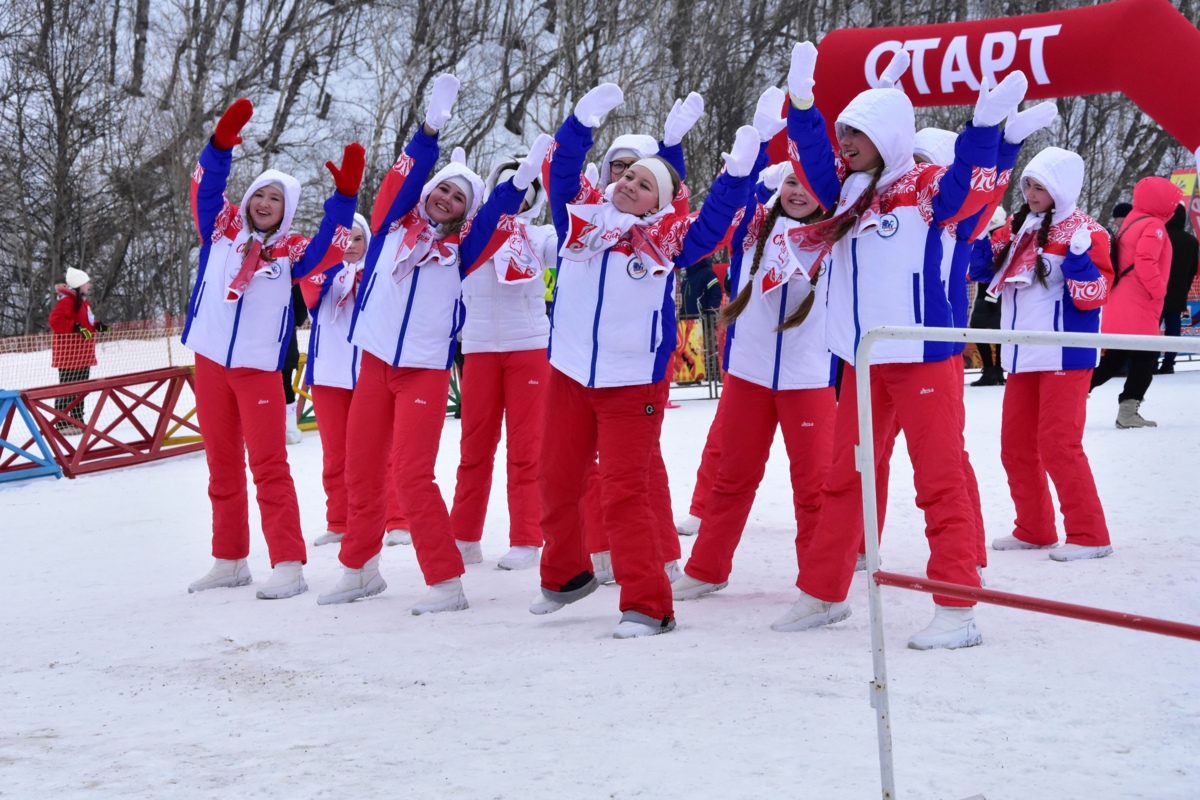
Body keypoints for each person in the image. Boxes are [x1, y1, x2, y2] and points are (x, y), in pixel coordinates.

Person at [774, 41, 1045, 650]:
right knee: (847, 478)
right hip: (866, 357)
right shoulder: (844, 189)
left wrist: (984, 129)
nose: (844, 142)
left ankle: (956, 605)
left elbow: (969, 194)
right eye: (842, 131)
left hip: (922, 354)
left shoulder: (924, 186)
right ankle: (822, 591)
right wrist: (802, 104)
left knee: (939, 478)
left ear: (889, 137)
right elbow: (811, 153)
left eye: (858, 133)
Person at [317, 74, 552, 615]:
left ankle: (445, 581)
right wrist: (429, 130)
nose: (446, 198)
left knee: (411, 473)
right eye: (442, 188)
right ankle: (359, 571)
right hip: (373, 362)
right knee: (361, 468)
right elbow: (397, 184)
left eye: (458, 196)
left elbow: (496, 215)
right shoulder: (391, 227)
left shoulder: (464, 250)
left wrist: (521, 180)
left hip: (422, 371)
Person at [532, 82, 758, 638]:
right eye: (625, 176)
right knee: (557, 481)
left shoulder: (671, 241)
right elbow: (561, 174)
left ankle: (647, 605)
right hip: (569, 372)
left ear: (660, 200)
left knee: (625, 490)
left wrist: (735, 177)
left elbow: (712, 224)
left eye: (643, 182)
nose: (628, 184)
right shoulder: (578, 225)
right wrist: (578, 126)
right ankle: (564, 577)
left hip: (630, 382)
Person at [184, 98, 362, 599]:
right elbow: (205, 187)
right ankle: (230, 559)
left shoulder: (293, 250)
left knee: (268, 466)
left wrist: (344, 195)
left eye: (275, 199)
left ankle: (288, 563)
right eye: (259, 195)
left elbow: (333, 244)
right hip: (211, 360)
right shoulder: (220, 229)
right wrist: (220, 144)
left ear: (286, 210)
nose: (264, 204)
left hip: (258, 370)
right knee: (221, 464)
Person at [671, 93, 838, 603]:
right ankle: (706, 568)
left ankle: (819, 583)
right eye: (791, 180)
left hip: (808, 378)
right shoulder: (752, 223)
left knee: (814, 491)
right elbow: (726, 203)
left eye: (808, 184)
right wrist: (759, 146)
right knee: (731, 479)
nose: (797, 192)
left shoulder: (841, 232)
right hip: (749, 373)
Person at [970, 146, 1116, 562]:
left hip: (1065, 355)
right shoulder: (1021, 227)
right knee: (1014, 446)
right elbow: (981, 274)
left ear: (1062, 187)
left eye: (1040, 186)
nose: (1031, 193)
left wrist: (1080, 264)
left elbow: (1096, 297)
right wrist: (981, 238)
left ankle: (1090, 534)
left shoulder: (1090, 231)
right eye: (1028, 185)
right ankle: (1034, 527)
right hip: (1021, 356)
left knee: (1058, 444)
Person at [448, 154, 558, 571]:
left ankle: (528, 536)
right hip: (477, 349)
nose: (516, 197)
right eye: (507, 188)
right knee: (473, 448)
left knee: (527, 449)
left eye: (526, 190)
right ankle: (464, 536)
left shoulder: (538, 234)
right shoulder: (470, 235)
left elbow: (562, 247)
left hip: (528, 349)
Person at [299, 214, 407, 549]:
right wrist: (330, 260)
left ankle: (397, 520)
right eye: (342, 239)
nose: (349, 245)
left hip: (370, 374)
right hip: (329, 374)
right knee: (335, 454)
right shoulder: (322, 273)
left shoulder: (378, 274)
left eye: (357, 239)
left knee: (381, 451)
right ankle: (340, 521)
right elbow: (310, 296)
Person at [1089, 175, 1182, 427]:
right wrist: (1158, 290)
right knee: (1144, 359)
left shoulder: (1131, 221)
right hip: (1140, 304)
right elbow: (1145, 259)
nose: (1174, 206)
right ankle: (1128, 412)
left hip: (1121, 301)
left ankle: (1073, 393)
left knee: (1115, 359)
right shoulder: (1155, 226)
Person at [48, 269, 108, 433]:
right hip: (69, 356)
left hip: (82, 355)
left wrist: (96, 326)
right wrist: (74, 327)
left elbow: (84, 325)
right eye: (86, 282)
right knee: (68, 389)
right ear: (78, 285)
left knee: (81, 390)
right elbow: (55, 321)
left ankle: (77, 421)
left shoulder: (83, 303)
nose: (89, 285)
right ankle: (63, 423)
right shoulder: (66, 302)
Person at [969, 207, 1011, 386]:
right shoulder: (1002, 235)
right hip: (996, 290)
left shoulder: (995, 236)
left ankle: (991, 371)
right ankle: (997, 370)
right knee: (998, 330)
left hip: (990, 289)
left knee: (981, 328)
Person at [1159, 203, 1198, 373]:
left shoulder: (1161, 237)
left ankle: (1150, 362)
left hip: (1158, 290)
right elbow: (1192, 269)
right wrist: (1185, 286)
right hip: (1179, 290)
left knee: (1152, 329)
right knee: (1174, 329)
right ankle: (1169, 363)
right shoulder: (1191, 241)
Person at [281, 283, 308, 444]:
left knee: (284, 386)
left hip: (284, 347)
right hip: (284, 347)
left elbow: (299, 315)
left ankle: (289, 429)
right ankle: (287, 429)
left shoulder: (292, 279)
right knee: (283, 387)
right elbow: (299, 316)